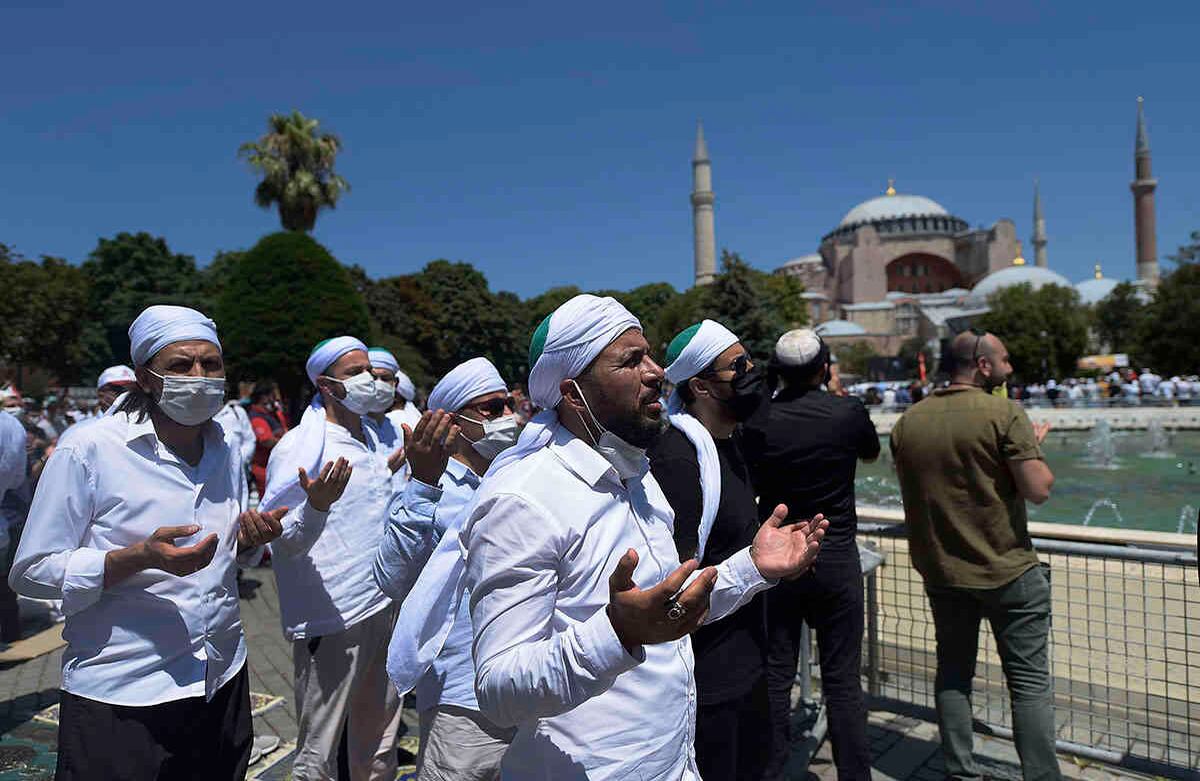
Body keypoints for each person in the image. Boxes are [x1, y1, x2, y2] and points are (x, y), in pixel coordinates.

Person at [449, 294, 827, 780]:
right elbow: (499, 691)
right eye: (630, 361)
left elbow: (669, 610)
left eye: (650, 355)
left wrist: (752, 568)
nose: (656, 372)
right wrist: (618, 633)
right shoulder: (522, 499)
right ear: (572, 391)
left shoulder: (638, 476)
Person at [7, 305, 335, 780]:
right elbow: (32, 570)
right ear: (145, 377)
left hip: (219, 680)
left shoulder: (223, 448)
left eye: (211, 364)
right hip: (124, 691)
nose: (199, 376)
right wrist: (137, 557)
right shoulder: (90, 449)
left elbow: (225, 556)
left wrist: (247, 542)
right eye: (181, 365)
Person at [890, 329, 1059, 781]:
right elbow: (1039, 489)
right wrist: (1034, 447)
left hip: (944, 573)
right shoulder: (1005, 413)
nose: (1009, 367)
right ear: (983, 366)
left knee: (953, 676)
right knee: (1028, 688)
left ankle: (959, 773)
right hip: (1009, 572)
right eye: (1004, 359)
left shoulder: (909, 421)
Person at [260, 336, 407, 781]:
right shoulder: (302, 446)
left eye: (371, 369)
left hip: (384, 604)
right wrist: (316, 506)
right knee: (318, 752)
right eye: (355, 373)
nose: (370, 380)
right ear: (326, 385)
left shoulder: (378, 437)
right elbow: (281, 540)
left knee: (380, 741)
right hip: (334, 616)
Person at [741, 328, 880, 781]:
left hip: (781, 556)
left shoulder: (761, 419)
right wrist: (837, 396)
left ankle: (772, 770)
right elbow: (872, 452)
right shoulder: (846, 411)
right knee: (842, 680)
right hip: (835, 553)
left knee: (777, 672)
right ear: (824, 367)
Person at [381, 357, 520, 781]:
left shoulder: (515, 475)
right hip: (464, 697)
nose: (509, 418)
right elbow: (391, 578)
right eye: (492, 410)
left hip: (525, 681)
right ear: (452, 424)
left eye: (509, 405)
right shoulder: (427, 492)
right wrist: (422, 485)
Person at [647, 320, 773, 780]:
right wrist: (761, 566)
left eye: (749, 360)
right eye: (737, 366)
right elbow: (677, 581)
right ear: (699, 385)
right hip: (708, 677)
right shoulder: (679, 457)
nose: (750, 371)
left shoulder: (730, 444)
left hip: (746, 659)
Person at [366, 347, 411, 486]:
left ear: (395, 384)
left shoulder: (398, 429)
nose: (379, 384)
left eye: (385, 379)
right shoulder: (353, 428)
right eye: (373, 378)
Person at [247, 382, 289, 497]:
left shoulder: (275, 414)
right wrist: (289, 443)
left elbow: (285, 431)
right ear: (263, 397)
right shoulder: (256, 417)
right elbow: (266, 441)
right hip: (264, 471)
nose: (276, 398)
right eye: (273, 395)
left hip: (280, 467)